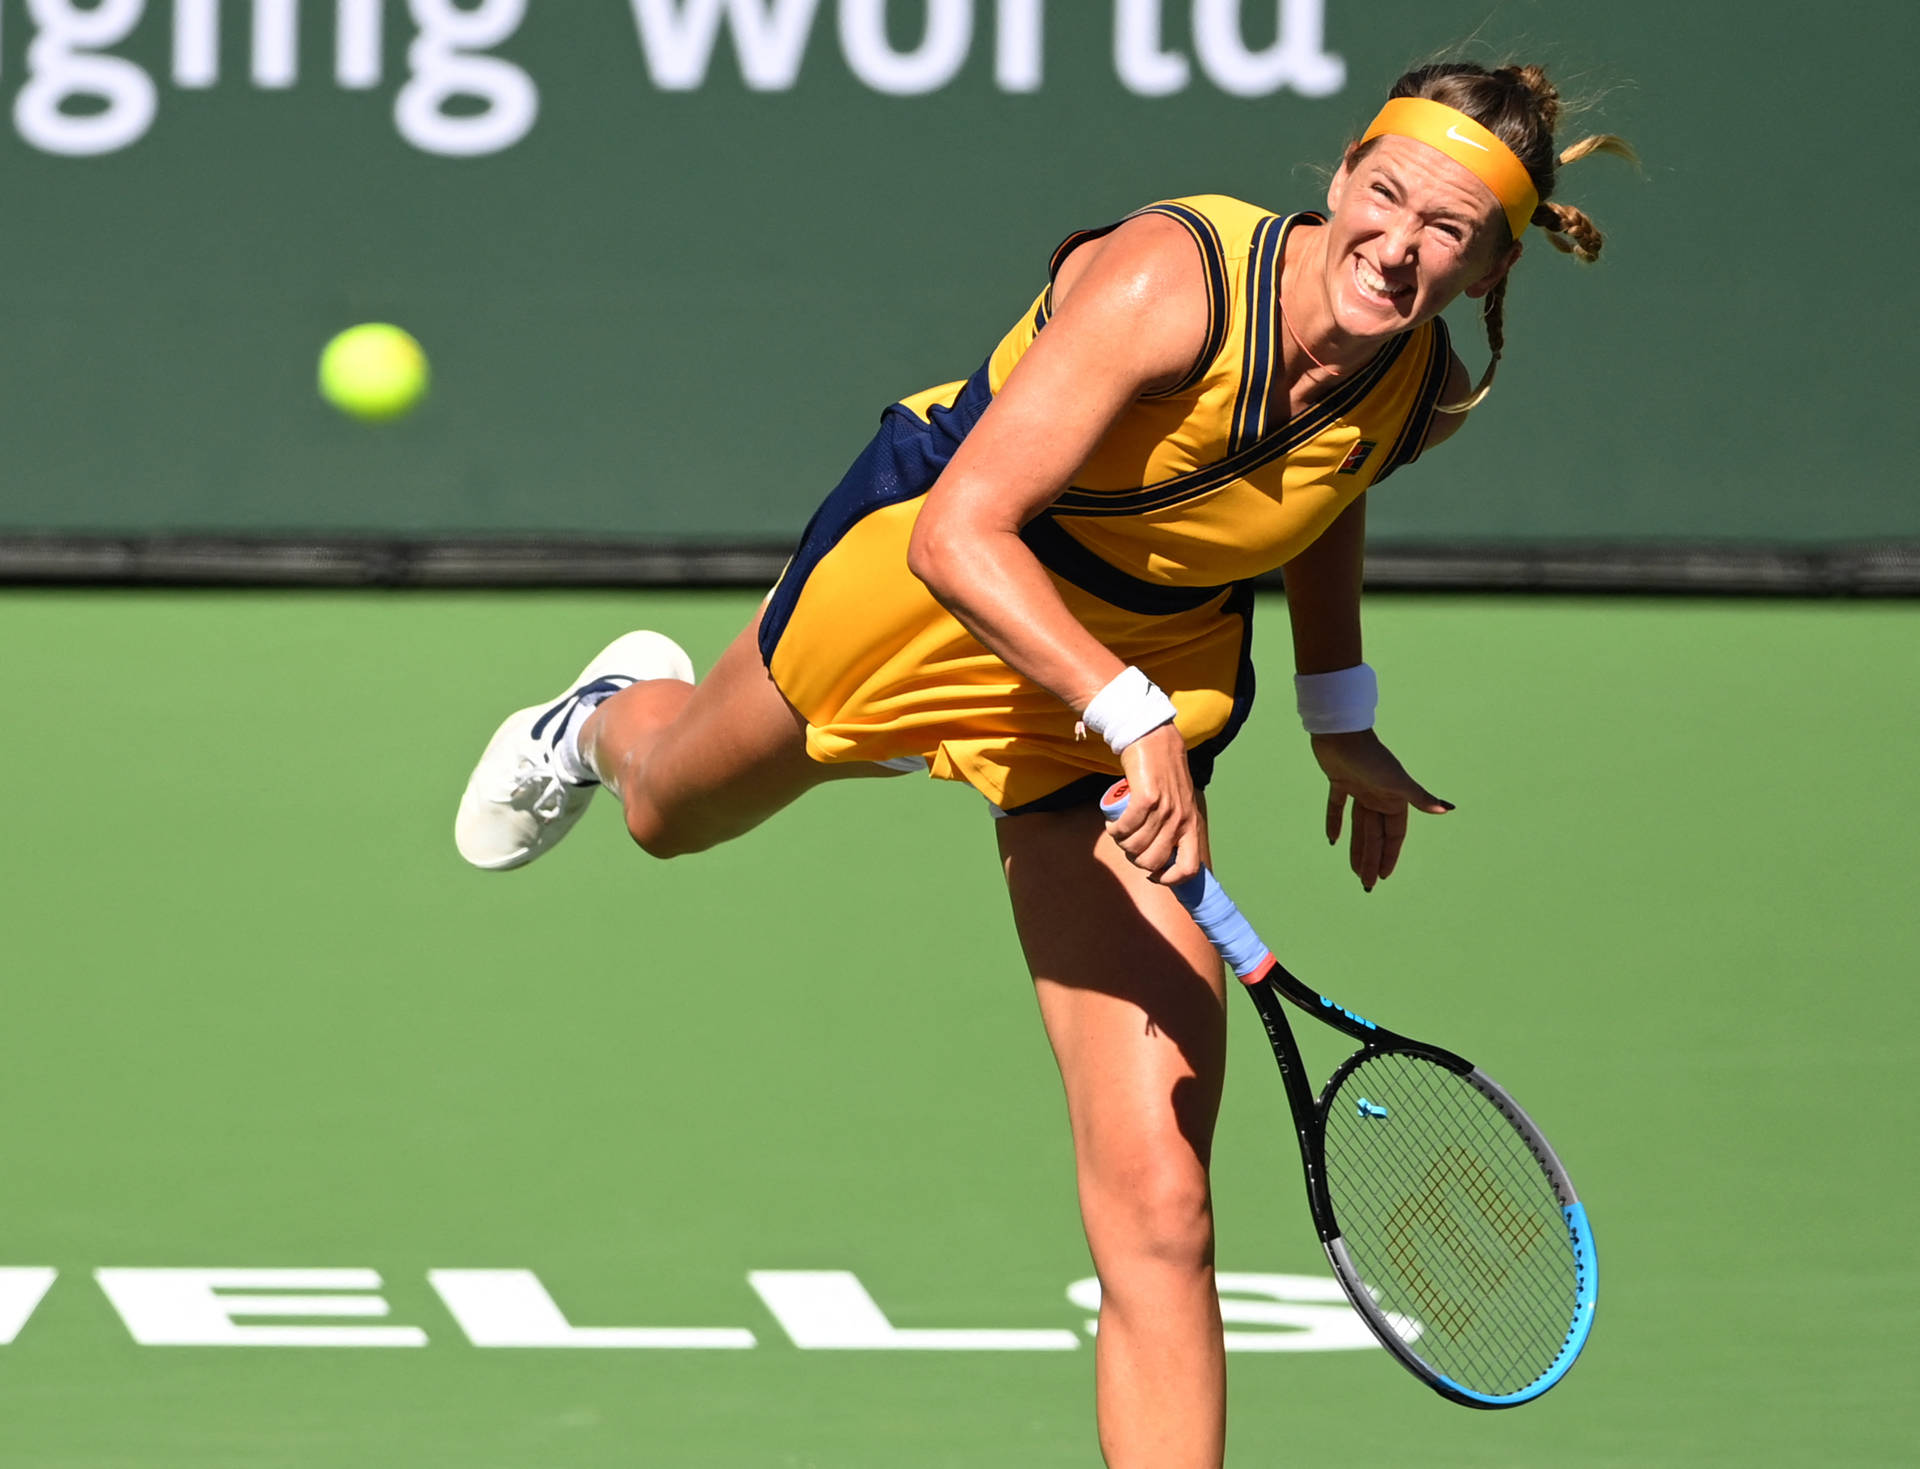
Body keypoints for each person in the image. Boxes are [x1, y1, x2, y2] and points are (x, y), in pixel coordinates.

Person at [454, 60, 1628, 1469]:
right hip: (934, 580)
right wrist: (1129, 710)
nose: (1401, 241)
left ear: (1497, 257)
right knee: (667, 808)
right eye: (1386, 194)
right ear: (1342, 174)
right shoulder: (1167, 280)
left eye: (1450, 229)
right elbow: (965, 532)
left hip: (1126, 679)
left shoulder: (1416, 377)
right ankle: (600, 711)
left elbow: (1322, 498)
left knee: (1162, 1203)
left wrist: (1338, 707)